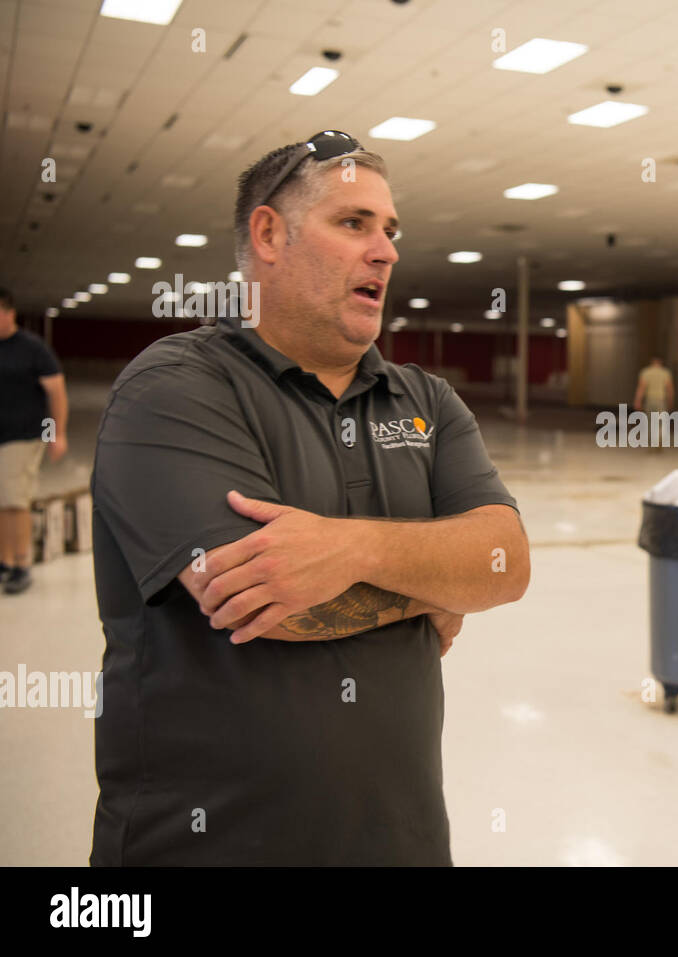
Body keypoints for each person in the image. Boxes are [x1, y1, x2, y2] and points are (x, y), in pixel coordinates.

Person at [89, 131, 530, 865]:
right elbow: (276, 600)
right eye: (353, 222)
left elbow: (506, 563)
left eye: (390, 230)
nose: (385, 250)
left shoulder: (426, 401)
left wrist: (350, 548)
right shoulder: (175, 386)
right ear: (269, 233)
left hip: (402, 843)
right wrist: (432, 586)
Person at [0, 287, 68, 595]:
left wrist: (56, 435)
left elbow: (56, 393)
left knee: (14, 500)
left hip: (25, 436)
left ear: (9, 313)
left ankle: (21, 562)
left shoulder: (32, 348)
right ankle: (4, 559)